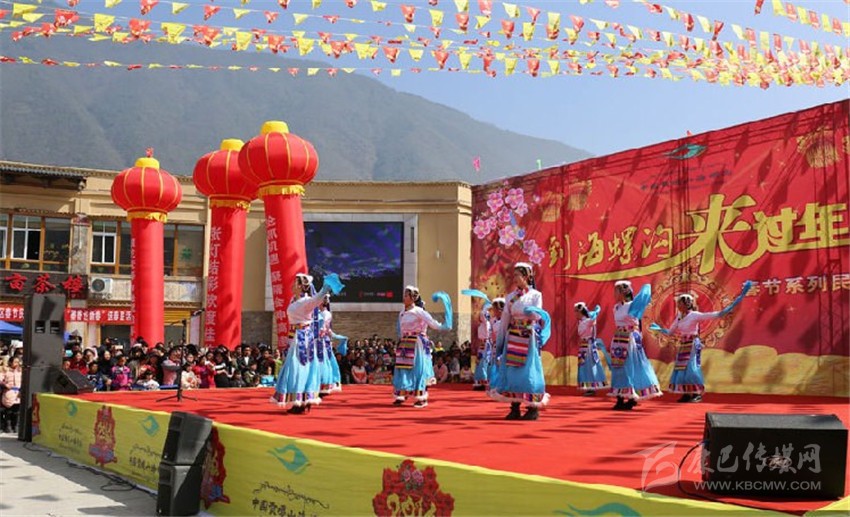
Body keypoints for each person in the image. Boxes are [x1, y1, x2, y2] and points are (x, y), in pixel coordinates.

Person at [650, 282, 751, 403]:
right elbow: (671, 332)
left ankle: (696, 393)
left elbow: (716, 315)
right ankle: (687, 393)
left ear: (686, 304)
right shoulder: (679, 317)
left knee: (691, 368)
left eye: (680, 303)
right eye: (678, 303)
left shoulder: (695, 315)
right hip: (684, 344)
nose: (678, 305)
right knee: (682, 368)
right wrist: (660, 329)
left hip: (692, 343)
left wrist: (731, 306)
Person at [270, 272, 343, 414]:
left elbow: (317, 299)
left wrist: (325, 288)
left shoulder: (306, 301)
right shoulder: (295, 300)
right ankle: (300, 401)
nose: (292, 285)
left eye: (295, 283)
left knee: (299, 368)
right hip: (297, 335)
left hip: (304, 338)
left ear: (301, 286)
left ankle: (301, 402)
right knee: (296, 368)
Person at [489, 263, 550, 420]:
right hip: (513, 337)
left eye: (517, 275)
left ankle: (532, 408)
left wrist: (531, 312)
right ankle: (515, 407)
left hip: (528, 337)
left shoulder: (535, 295)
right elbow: (505, 320)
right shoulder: (510, 297)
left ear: (526, 276)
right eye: (514, 275)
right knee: (512, 371)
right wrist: (500, 342)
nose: (514, 278)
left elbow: (538, 316)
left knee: (529, 372)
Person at [392, 285, 451, 408]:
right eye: (404, 295)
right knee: (403, 368)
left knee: (418, 369)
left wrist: (443, 326)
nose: (404, 297)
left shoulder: (419, 311)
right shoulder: (402, 313)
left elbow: (432, 323)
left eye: (406, 295)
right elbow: (401, 329)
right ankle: (402, 393)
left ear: (413, 298)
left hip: (416, 343)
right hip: (405, 343)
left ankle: (421, 397)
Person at [609, 280, 661, 410]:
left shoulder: (632, 306)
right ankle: (620, 397)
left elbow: (646, 289)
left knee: (630, 367)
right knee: (618, 367)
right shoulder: (616, 307)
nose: (614, 294)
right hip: (618, 338)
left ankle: (632, 398)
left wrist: (630, 289)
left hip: (630, 339)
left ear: (623, 292)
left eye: (616, 291)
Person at [574, 302, 609, 396]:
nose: (575, 313)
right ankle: (588, 386)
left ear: (580, 312)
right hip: (583, 346)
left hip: (588, 347)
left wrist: (595, 312)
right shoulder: (581, 322)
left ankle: (592, 387)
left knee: (590, 366)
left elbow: (593, 320)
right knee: (584, 366)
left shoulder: (588, 321)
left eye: (576, 311)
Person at [317, 294, 343, 396]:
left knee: (326, 362)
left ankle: (327, 384)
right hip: (319, 340)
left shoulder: (326, 314)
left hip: (323, 340)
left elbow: (324, 328)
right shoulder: (319, 313)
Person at [472, 302, 492, 390]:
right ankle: (480, 380)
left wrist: (484, 308)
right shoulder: (483, 324)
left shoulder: (486, 324)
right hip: (482, 344)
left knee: (482, 361)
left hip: (485, 344)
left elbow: (483, 315)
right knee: (480, 361)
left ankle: (483, 380)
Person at [0, 356, 22, 433]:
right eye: (15, 362)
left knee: (17, 411)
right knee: (8, 411)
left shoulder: (20, 371)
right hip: (9, 393)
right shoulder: (5, 371)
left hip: (18, 393)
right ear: (10, 362)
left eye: (18, 362)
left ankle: (15, 426)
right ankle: (8, 426)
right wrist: (5, 385)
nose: (17, 363)